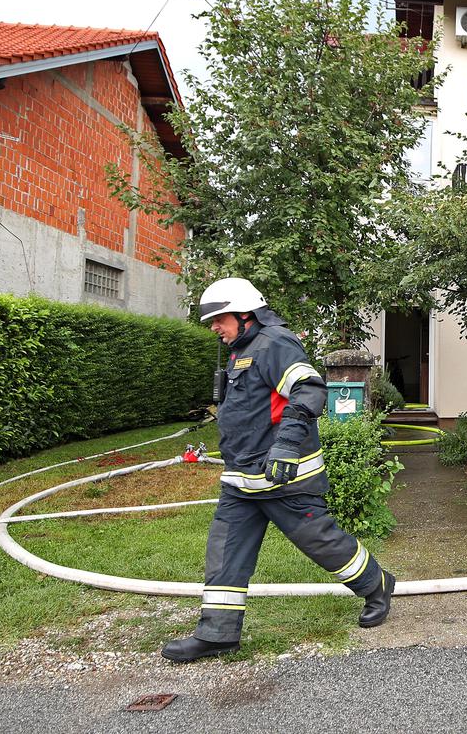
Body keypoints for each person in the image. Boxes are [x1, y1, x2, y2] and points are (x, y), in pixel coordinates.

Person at [162, 277, 395, 663]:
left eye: (219, 319)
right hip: (241, 480)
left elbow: (309, 390)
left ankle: (377, 585)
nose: (215, 328)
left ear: (244, 313)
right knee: (225, 552)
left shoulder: (274, 344)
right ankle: (217, 633)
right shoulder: (241, 350)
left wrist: (285, 446)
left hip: (284, 477)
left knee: (321, 543)